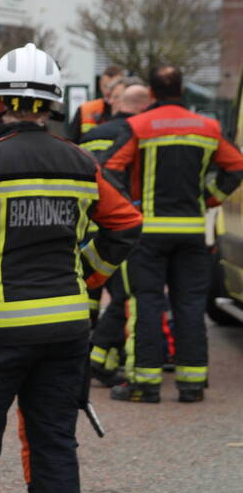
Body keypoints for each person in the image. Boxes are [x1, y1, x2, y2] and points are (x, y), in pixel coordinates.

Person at [0, 43, 142, 493]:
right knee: (54, 443)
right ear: (55, 103)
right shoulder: (83, 163)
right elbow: (125, 224)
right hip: (65, 332)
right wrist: (89, 275)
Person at [102, 65, 243, 403]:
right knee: (190, 306)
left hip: (148, 233)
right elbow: (236, 166)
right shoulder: (207, 127)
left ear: (151, 92)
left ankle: (145, 385)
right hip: (192, 233)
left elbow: (109, 168)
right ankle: (192, 384)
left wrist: (128, 209)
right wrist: (210, 198)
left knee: (147, 304)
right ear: (183, 91)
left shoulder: (138, 126)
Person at [80, 82, 152, 385]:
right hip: (117, 229)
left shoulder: (90, 135)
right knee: (125, 296)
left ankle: (82, 358)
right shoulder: (135, 133)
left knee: (88, 298)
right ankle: (99, 358)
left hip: (87, 227)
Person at [67, 64, 123, 143]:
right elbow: (71, 141)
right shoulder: (85, 109)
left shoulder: (130, 110)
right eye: (105, 86)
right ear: (100, 85)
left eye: (113, 87)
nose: (108, 92)